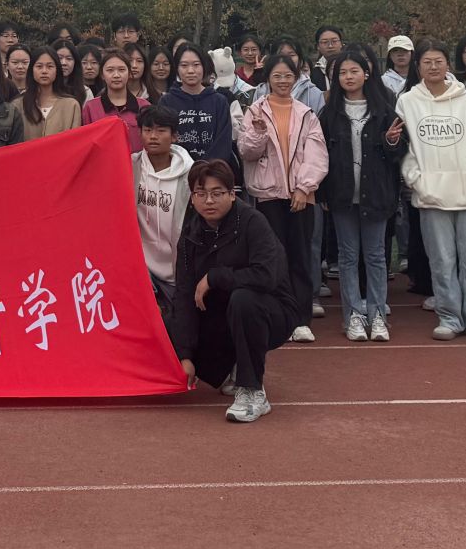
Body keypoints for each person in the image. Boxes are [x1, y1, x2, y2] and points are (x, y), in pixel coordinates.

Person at [394, 41, 466, 341]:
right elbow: (404, 149)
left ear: (447, 65)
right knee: (442, 261)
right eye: (427, 62)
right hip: (431, 196)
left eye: (438, 61)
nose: (433, 67)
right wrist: (417, 179)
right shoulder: (407, 102)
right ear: (418, 67)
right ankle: (450, 317)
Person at [170, 161, 289, 425]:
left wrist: (216, 277)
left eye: (217, 193)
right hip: (223, 312)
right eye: (201, 193)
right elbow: (184, 293)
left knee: (243, 299)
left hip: (272, 310)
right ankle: (230, 367)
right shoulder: (191, 232)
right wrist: (185, 355)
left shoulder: (253, 223)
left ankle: (252, 390)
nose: (209, 201)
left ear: (232, 194)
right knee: (169, 318)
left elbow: (266, 277)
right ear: (192, 198)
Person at [234, 54, 326, 343]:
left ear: (296, 78)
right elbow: (246, 151)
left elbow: (317, 155)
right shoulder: (256, 111)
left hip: (301, 196)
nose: (283, 81)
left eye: (288, 76)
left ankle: (301, 320)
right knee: (273, 258)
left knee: (300, 257)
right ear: (268, 79)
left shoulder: (307, 113)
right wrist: (259, 133)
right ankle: (277, 318)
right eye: (277, 76)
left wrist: (304, 188)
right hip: (267, 195)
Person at [317, 47, 402, 342]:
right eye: (342, 72)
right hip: (341, 196)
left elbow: (399, 155)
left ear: (366, 74)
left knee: (376, 256)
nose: (349, 77)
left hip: (376, 195)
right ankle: (353, 315)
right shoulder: (329, 114)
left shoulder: (384, 111)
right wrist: (323, 193)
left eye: (354, 71)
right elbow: (320, 156)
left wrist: (391, 142)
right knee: (348, 256)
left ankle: (377, 315)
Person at [133, 105, 193, 304]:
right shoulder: (130, 167)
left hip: (177, 269)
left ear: (174, 136)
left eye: (161, 131)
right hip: (141, 269)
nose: (153, 136)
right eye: (147, 130)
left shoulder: (190, 175)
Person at [160, 44, 230, 164]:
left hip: (212, 170)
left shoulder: (219, 101)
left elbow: (223, 143)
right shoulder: (166, 102)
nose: (190, 71)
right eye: (184, 65)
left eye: (196, 65)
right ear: (176, 68)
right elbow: (164, 139)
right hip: (177, 169)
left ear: (204, 66)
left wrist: (206, 169)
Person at [81, 50, 143, 151]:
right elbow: (86, 142)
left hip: (136, 160)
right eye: (110, 70)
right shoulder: (91, 107)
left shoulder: (143, 106)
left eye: (122, 70)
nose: (116, 75)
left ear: (129, 73)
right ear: (102, 74)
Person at [19, 48, 82, 140]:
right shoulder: (18, 105)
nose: (44, 71)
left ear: (57, 70)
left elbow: (75, 141)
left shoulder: (71, 105)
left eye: (50, 66)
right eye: (39, 66)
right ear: (31, 70)